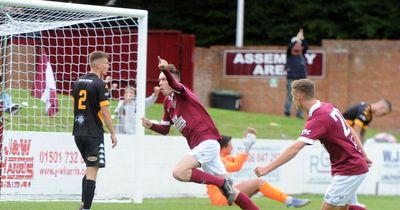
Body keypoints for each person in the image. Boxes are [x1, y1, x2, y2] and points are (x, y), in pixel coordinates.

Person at [141, 56, 260, 210]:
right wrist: (151, 125)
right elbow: (165, 130)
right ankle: (227, 187)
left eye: (164, 79)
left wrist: (165, 70)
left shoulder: (182, 92)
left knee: (179, 172)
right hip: (201, 147)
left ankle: (222, 184)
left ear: (173, 80)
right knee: (233, 192)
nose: (161, 83)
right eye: (159, 80)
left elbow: (175, 84)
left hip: (207, 142)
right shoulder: (167, 102)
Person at [254, 79, 371, 210]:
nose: (292, 100)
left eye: (293, 96)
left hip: (349, 169)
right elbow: (350, 130)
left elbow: (295, 148)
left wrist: (267, 168)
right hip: (352, 165)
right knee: (344, 208)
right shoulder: (329, 107)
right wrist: (364, 155)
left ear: (298, 97)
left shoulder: (319, 118)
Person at [207, 127, 311, 208]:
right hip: (220, 198)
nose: (232, 147)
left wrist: (247, 145)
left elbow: (238, 159)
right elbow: (236, 166)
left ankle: (289, 200)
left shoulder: (224, 157)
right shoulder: (219, 159)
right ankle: (289, 201)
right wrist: (247, 147)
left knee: (257, 185)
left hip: (225, 195)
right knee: (258, 183)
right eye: (230, 145)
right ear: (224, 147)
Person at [72, 51, 118, 210]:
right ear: (98, 65)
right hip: (93, 134)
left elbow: (74, 107)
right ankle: (86, 208)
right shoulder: (100, 84)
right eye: (106, 63)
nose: (108, 65)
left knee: (89, 168)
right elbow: (105, 112)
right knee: (92, 171)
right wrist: (112, 132)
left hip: (78, 133)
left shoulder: (78, 81)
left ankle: (83, 204)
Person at [284, 29, 308, 119]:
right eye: (296, 44)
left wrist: (301, 38)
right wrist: (296, 39)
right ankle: (287, 112)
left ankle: (299, 114)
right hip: (291, 78)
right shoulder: (289, 54)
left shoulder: (302, 54)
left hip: (302, 78)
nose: (298, 45)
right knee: (290, 96)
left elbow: (305, 46)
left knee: (301, 97)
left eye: (299, 44)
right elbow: (290, 47)